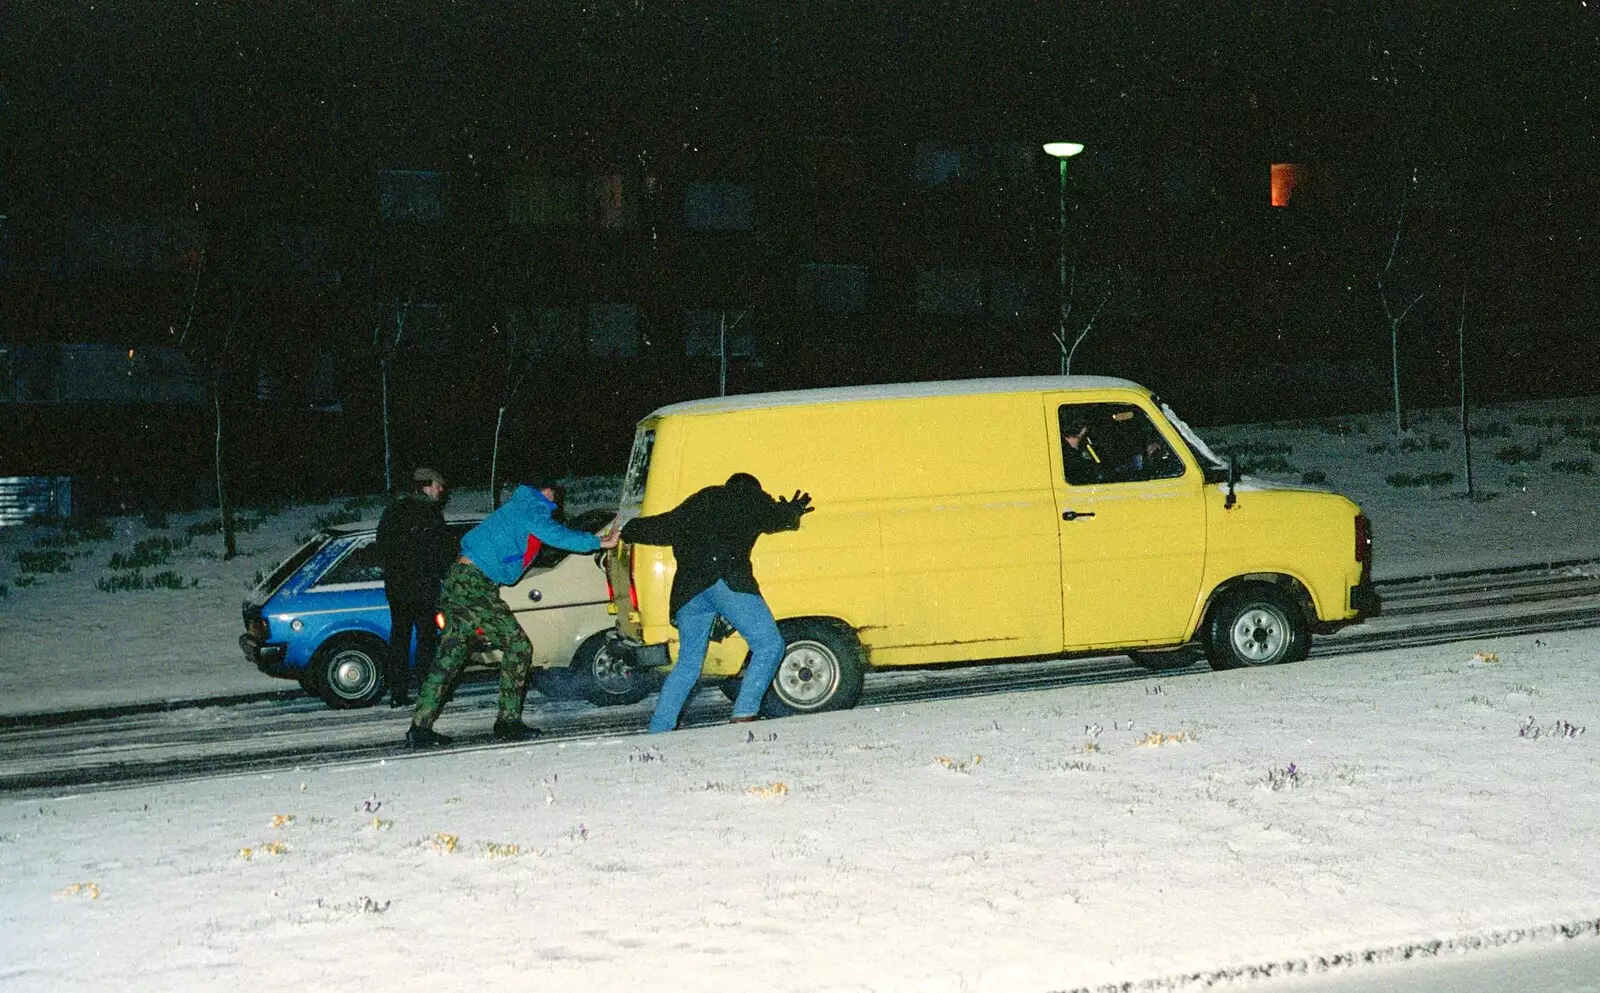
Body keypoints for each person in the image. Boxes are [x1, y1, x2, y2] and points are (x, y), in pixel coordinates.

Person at [406, 478, 619, 748]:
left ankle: (419, 728)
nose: (556, 501)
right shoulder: (533, 507)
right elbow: (558, 536)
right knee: (518, 647)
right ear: (547, 490)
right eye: (555, 494)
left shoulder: (518, 506)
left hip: (459, 579)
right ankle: (508, 722)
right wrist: (602, 542)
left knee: (449, 657)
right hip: (474, 583)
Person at [619, 472, 813, 733]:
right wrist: (793, 510)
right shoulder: (748, 498)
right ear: (753, 488)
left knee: (688, 664)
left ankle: (660, 728)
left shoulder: (701, 499)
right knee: (769, 645)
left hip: (689, 592)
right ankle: (744, 714)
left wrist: (628, 529)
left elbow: (663, 526)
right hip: (726, 581)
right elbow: (777, 518)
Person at [375, 467, 457, 709]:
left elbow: (383, 548)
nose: (440, 491)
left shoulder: (393, 511)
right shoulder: (430, 514)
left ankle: (398, 691)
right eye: (437, 486)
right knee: (426, 639)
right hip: (423, 587)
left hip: (398, 588)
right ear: (425, 485)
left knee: (399, 638)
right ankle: (426, 688)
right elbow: (443, 551)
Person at [1061, 416, 1103, 485]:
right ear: (1068, 437)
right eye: (1078, 437)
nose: (1080, 440)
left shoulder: (1081, 448)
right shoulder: (1066, 455)